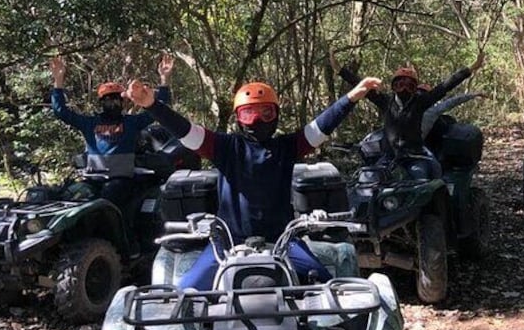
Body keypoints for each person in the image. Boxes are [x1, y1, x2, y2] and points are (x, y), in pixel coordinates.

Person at [125, 74, 381, 290]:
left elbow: (321, 126)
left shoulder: (287, 146)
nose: (257, 120)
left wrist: (352, 97)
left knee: (324, 285)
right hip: (227, 242)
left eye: (265, 113)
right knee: (184, 292)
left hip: (283, 239)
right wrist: (152, 105)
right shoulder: (225, 147)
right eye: (249, 114)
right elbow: (186, 131)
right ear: (238, 118)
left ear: (276, 115)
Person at [331, 49, 485, 179]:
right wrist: (340, 70)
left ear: (415, 88)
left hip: (415, 156)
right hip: (389, 157)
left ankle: (433, 215)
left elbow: (445, 86)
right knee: (366, 179)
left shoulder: (421, 102)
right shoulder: (385, 101)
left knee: (424, 180)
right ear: (393, 87)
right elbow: (361, 86)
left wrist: (471, 69)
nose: (404, 89)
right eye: (399, 84)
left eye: (409, 85)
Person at [49, 54, 174, 208]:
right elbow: (61, 111)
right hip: (92, 181)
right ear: (102, 103)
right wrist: (58, 81)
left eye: (116, 99)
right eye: (108, 100)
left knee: (108, 199)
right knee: (69, 196)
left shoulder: (131, 123)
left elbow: (160, 109)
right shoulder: (89, 123)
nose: (112, 103)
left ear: (122, 102)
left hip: (121, 181)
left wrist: (164, 79)